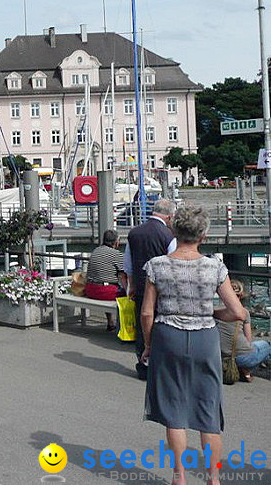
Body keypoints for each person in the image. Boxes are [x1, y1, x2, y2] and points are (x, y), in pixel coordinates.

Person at [141, 205, 247, 485]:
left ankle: (179, 477)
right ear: (203, 235)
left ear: (174, 231)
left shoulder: (157, 265)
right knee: (208, 408)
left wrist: (149, 345)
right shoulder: (215, 267)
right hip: (204, 338)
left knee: (174, 409)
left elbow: (147, 313)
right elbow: (238, 312)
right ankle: (213, 479)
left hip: (168, 336)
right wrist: (212, 314)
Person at [124, 198, 177, 380]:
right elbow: (174, 263)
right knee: (162, 326)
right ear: (169, 216)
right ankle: (161, 366)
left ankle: (143, 363)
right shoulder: (168, 236)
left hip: (140, 287)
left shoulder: (134, 233)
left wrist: (130, 285)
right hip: (162, 290)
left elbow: (128, 264)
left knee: (142, 326)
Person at [217, 280, 271, 383]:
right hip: (242, 358)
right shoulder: (244, 313)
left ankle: (243, 369)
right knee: (267, 345)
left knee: (258, 345)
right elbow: (248, 340)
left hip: (221, 358)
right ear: (241, 295)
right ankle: (247, 370)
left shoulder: (216, 312)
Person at [84, 230, 128, 331]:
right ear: (116, 242)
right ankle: (124, 327)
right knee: (127, 295)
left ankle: (110, 321)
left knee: (110, 285)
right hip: (104, 292)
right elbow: (123, 275)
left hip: (90, 290)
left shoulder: (96, 250)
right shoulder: (116, 254)